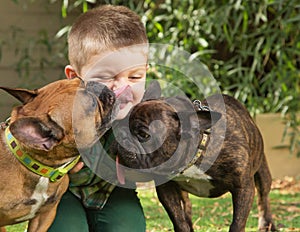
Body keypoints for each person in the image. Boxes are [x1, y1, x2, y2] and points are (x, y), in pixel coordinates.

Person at [49, 5, 148, 232]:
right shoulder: (60, 112)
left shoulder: (146, 115)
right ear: (74, 77)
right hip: (63, 191)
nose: (122, 88)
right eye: (105, 77)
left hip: (112, 191)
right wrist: (58, 166)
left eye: (135, 76)